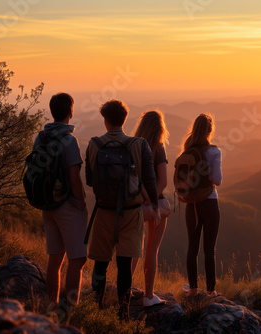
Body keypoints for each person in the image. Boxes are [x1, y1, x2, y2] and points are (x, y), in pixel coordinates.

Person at [85, 99, 160, 321]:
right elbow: (149, 179)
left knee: (101, 262)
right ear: (124, 119)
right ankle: (123, 312)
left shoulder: (94, 144)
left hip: (104, 211)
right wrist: (153, 206)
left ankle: (97, 309)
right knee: (124, 264)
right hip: (131, 211)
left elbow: (90, 180)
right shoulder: (139, 144)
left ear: (106, 121)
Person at [36, 93, 87, 315]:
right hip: (67, 205)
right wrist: (81, 201)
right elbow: (74, 178)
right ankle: (69, 312)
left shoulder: (40, 137)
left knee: (55, 258)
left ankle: (51, 307)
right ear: (70, 112)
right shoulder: (69, 140)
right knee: (78, 258)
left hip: (46, 203)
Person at [130, 110, 170, 307]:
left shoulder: (133, 145)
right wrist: (152, 203)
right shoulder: (158, 147)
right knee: (151, 251)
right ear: (160, 128)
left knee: (133, 249)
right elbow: (163, 181)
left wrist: (142, 199)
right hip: (155, 204)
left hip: (134, 203)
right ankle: (148, 296)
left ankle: (125, 291)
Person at [182, 113, 222, 297]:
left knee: (192, 247)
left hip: (192, 204)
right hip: (210, 202)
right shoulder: (214, 152)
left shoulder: (187, 149)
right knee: (209, 250)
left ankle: (192, 289)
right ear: (210, 130)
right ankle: (211, 291)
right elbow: (217, 180)